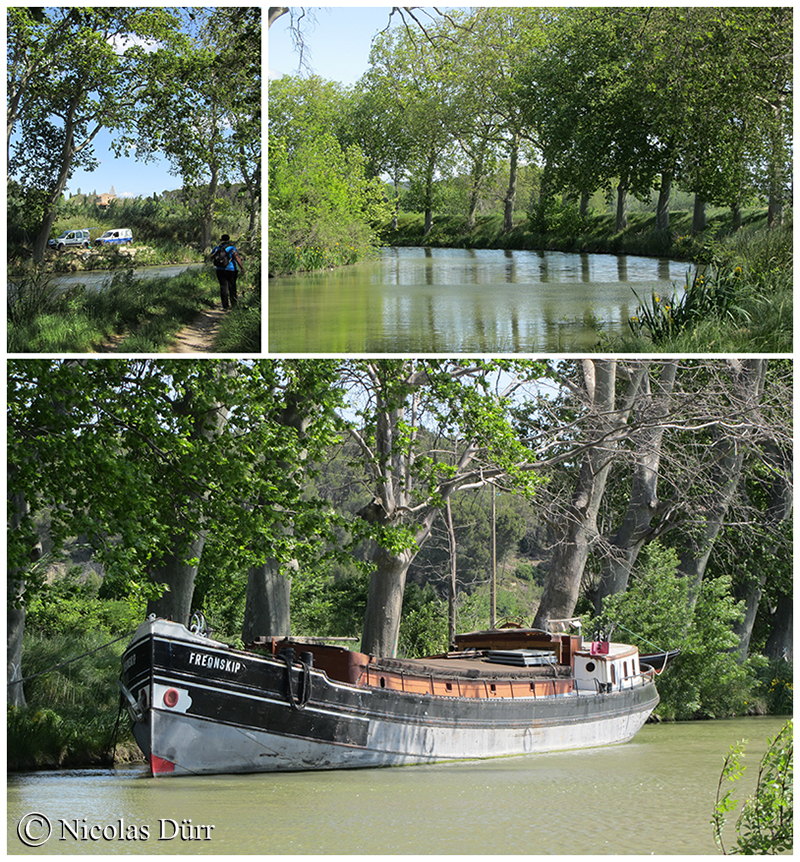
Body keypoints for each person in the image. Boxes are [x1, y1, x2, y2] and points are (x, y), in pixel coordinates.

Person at [210, 234, 245, 309]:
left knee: (223, 287)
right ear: (228, 240)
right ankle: (234, 304)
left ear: (221, 240)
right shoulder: (232, 248)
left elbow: (211, 256)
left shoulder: (217, 248)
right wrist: (242, 267)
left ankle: (225, 306)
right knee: (232, 287)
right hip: (231, 270)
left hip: (220, 270)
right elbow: (237, 258)